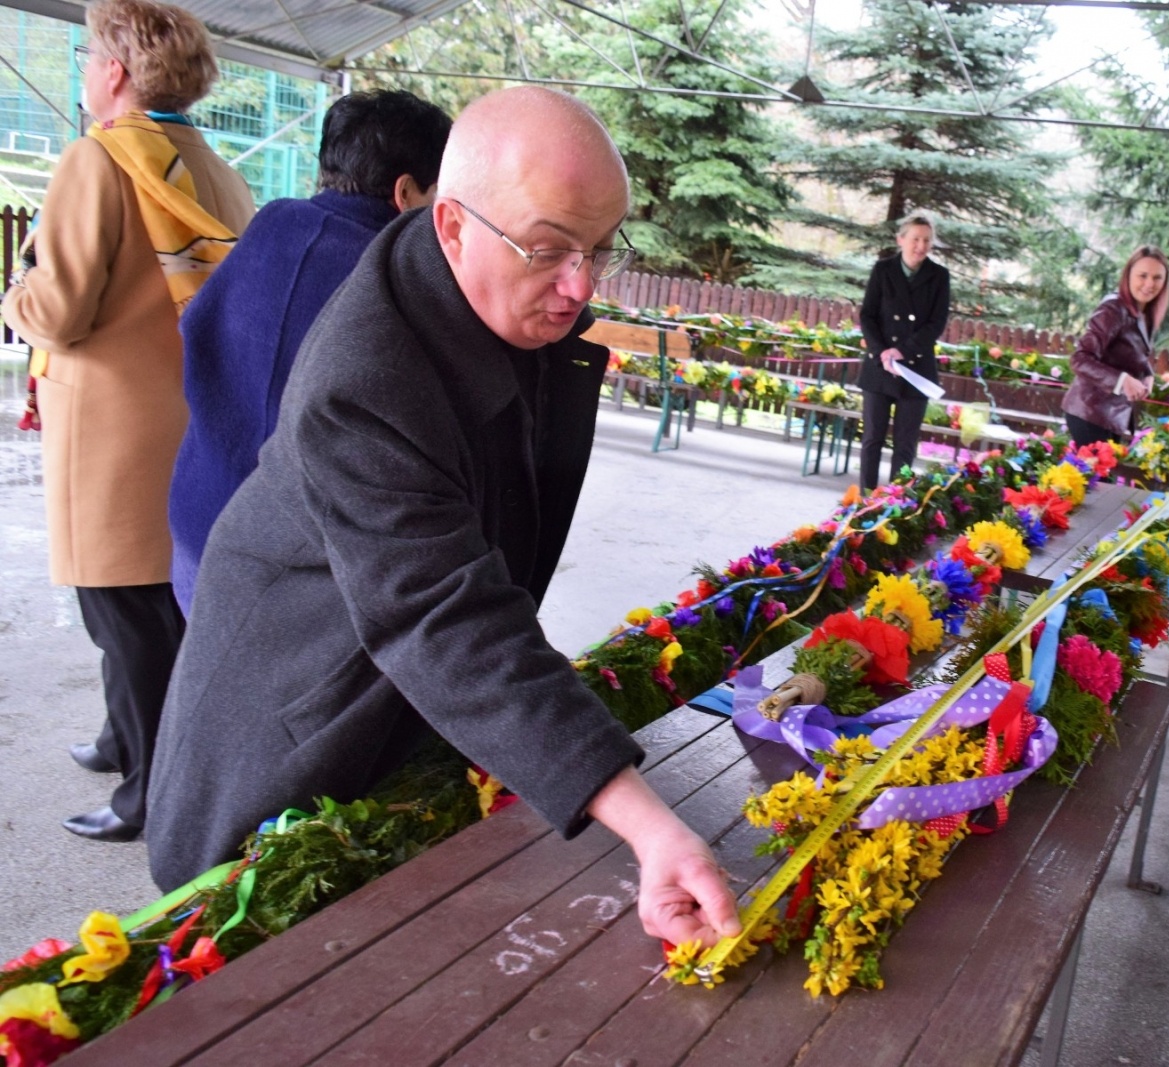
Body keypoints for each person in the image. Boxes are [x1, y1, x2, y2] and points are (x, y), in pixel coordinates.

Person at [146, 87, 739, 948]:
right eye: (550, 249)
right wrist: (650, 825)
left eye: (600, 250)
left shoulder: (494, 295)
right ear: (452, 225)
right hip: (293, 726)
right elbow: (445, 616)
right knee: (258, 964)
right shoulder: (366, 378)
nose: (581, 285)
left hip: (400, 705)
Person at [1, 0, 254, 842]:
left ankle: (149, 791)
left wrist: (16, 289)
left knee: (124, 613)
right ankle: (122, 739)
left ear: (113, 72)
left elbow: (60, 307)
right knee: (158, 602)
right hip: (186, 422)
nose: (84, 76)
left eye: (87, 60)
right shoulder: (212, 167)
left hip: (109, 431)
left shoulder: (96, 161)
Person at [168, 89, 453, 614]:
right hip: (285, 567)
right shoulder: (389, 277)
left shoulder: (271, 224)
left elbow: (196, 331)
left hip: (196, 521)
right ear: (406, 191)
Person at [856, 214, 950, 490]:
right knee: (872, 437)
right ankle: (865, 501)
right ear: (901, 240)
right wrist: (882, 351)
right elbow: (868, 315)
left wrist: (903, 351)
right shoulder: (883, 270)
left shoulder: (939, 276)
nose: (920, 246)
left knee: (905, 443)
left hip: (916, 368)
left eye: (927, 240)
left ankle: (896, 502)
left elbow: (936, 323)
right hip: (879, 366)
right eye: (915, 239)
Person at [1062, 246, 1169, 446]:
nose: (1149, 284)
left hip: (1112, 416)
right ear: (1128, 275)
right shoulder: (1112, 309)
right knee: (1095, 478)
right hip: (1090, 413)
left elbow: (1134, 351)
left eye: (1157, 278)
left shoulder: (1144, 311)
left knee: (1104, 478)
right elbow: (1080, 358)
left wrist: (1147, 374)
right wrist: (1122, 381)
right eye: (1143, 276)